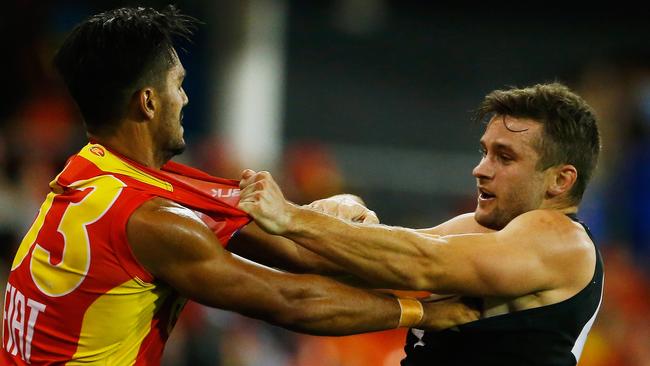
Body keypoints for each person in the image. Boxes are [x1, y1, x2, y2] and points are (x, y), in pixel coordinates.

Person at [0, 6, 479, 365]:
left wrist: (331, 214)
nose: (185, 98)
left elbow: (296, 251)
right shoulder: (152, 220)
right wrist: (424, 313)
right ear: (148, 102)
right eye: (178, 84)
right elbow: (291, 300)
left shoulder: (93, 174)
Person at [238, 82, 604, 365]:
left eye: (504, 157)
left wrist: (291, 216)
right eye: (485, 152)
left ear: (561, 180)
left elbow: (422, 263)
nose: (480, 169)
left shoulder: (563, 242)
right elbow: (323, 259)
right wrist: (206, 217)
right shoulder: (481, 232)